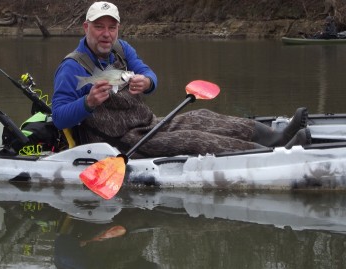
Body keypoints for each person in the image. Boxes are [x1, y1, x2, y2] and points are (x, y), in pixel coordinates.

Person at [52, 1, 311, 158]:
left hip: (147, 124)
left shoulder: (122, 49)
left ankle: (277, 137)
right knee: (193, 139)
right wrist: (87, 103)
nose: (106, 34)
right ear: (86, 28)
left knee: (204, 117)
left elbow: (151, 75)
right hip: (118, 142)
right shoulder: (72, 67)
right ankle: (271, 155)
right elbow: (60, 116)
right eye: (99, 27)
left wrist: (148, 82)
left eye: (112, 27)